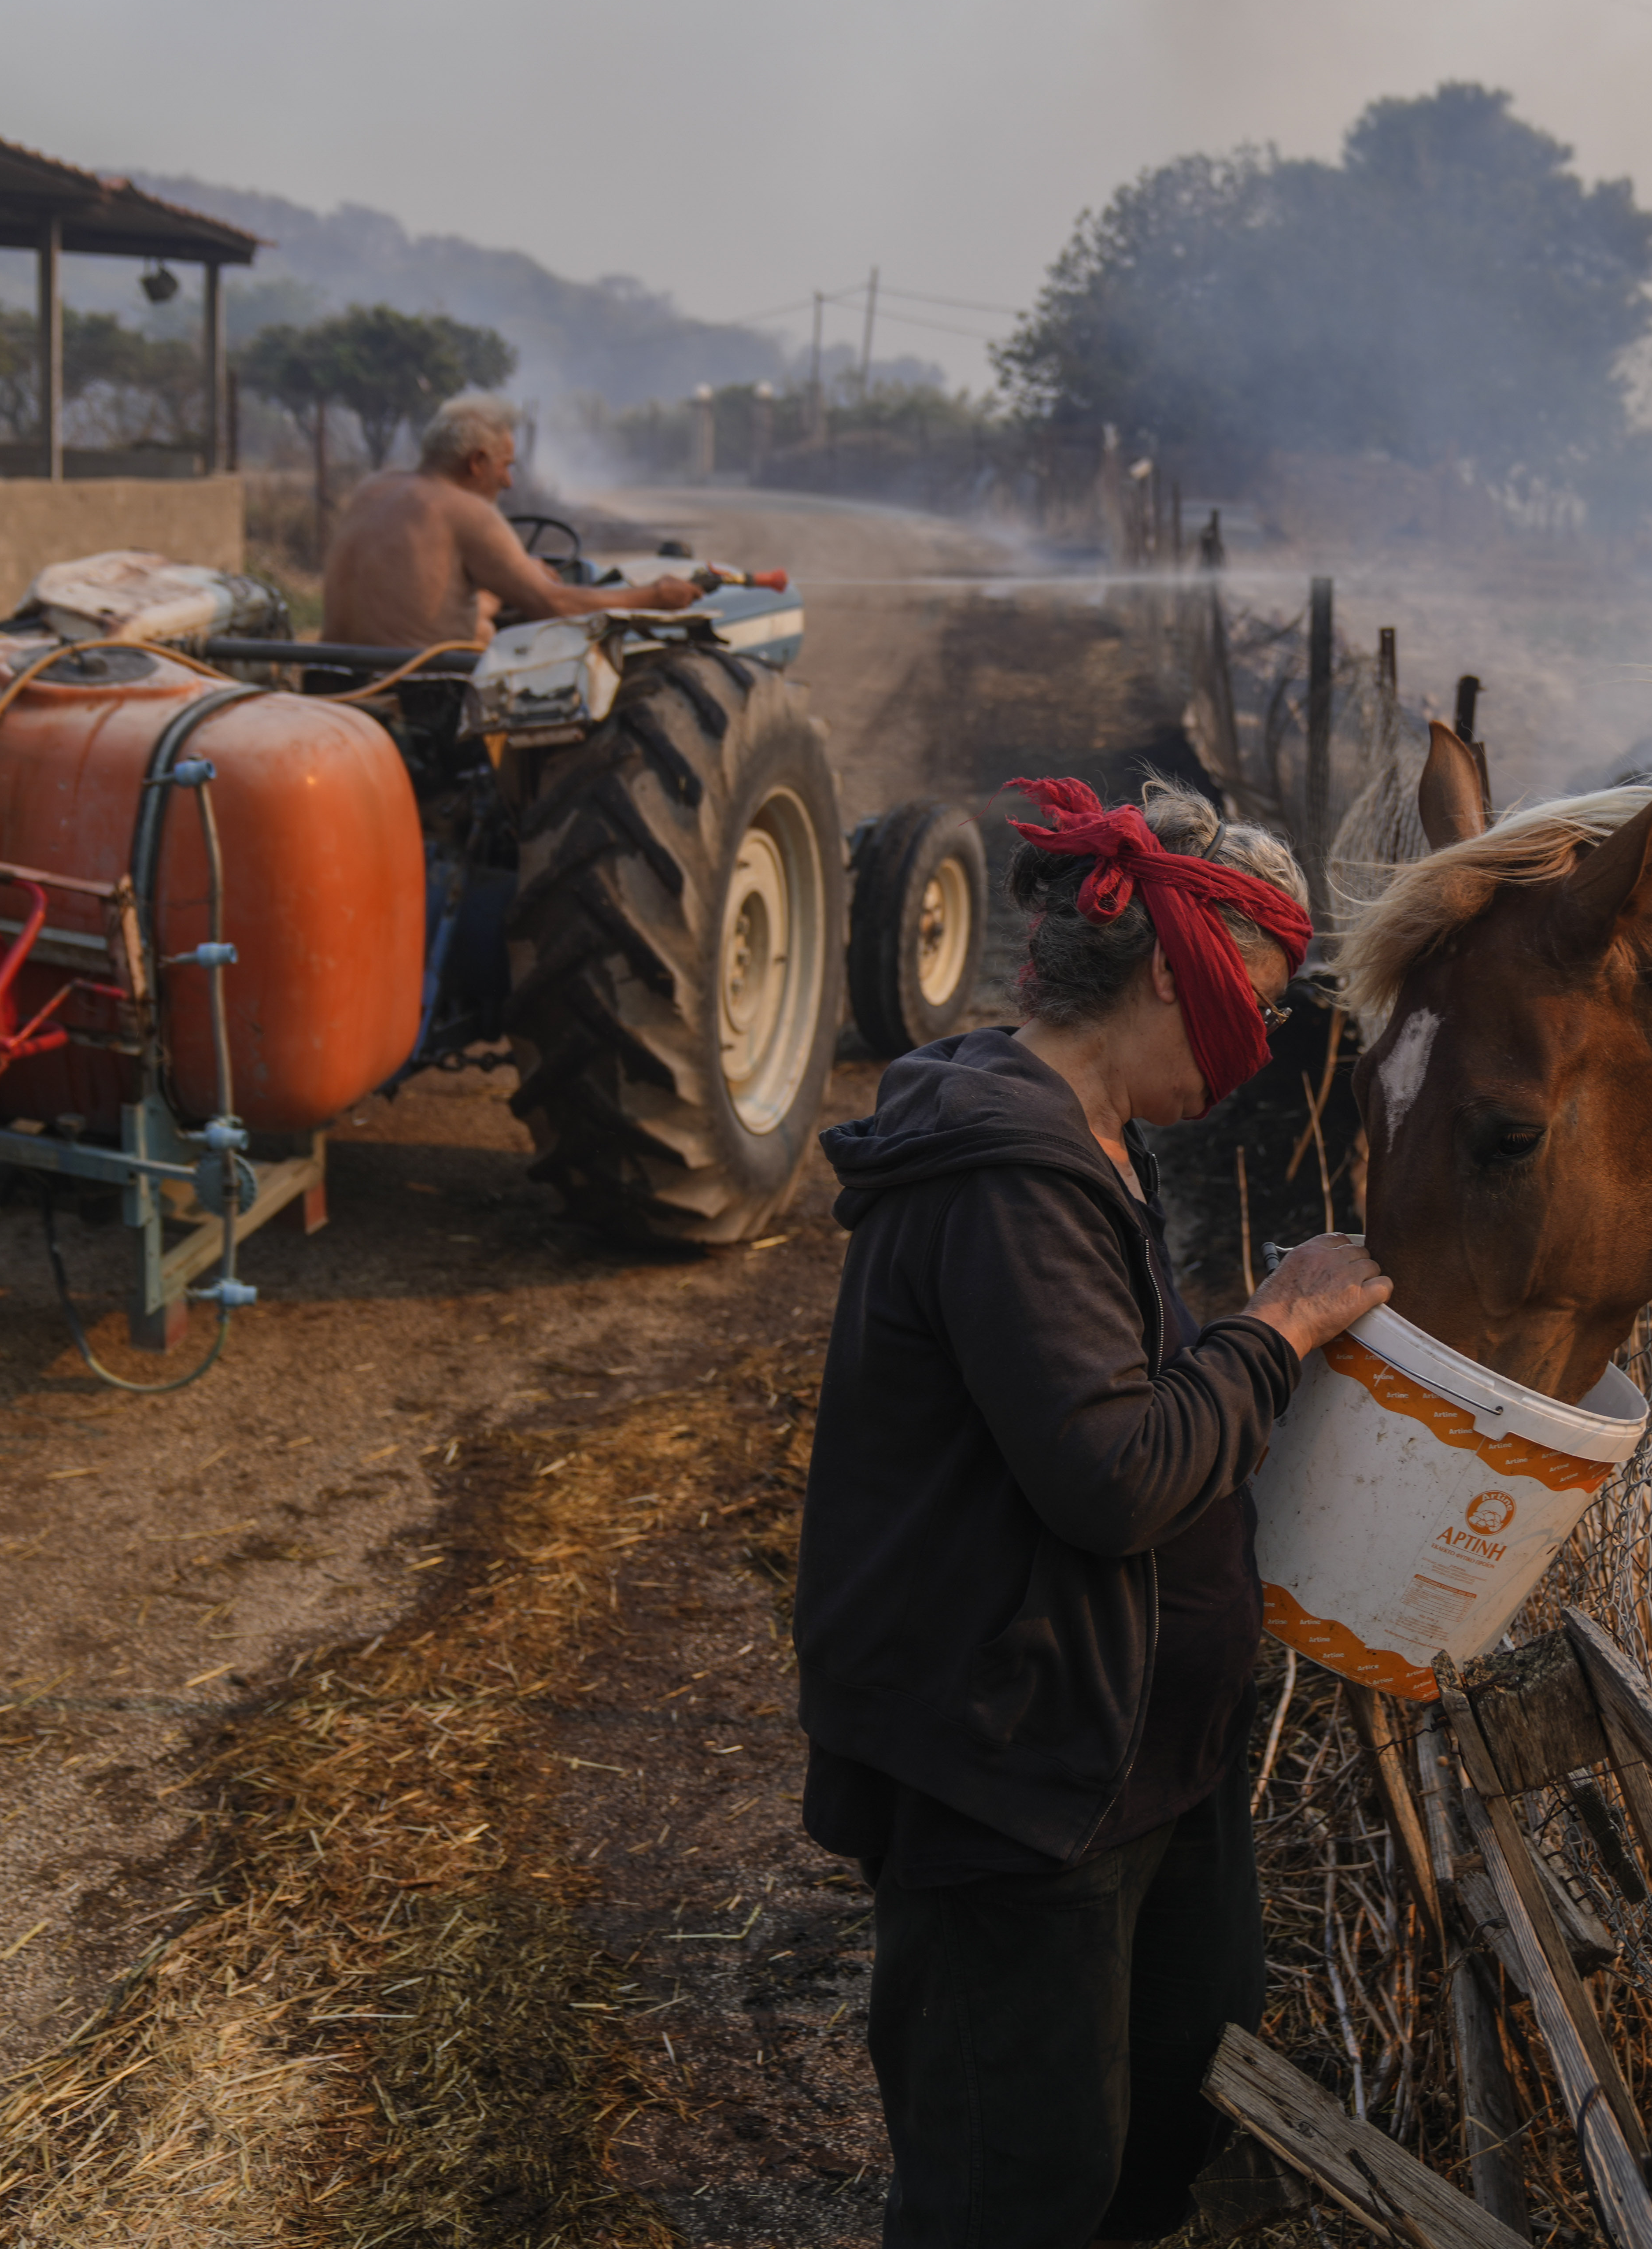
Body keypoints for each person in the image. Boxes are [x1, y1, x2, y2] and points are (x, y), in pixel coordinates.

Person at [794, 776, 1390, 2246]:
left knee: (1162, 2118)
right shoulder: (1013, 1174)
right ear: (1166, 980)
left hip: (1130, 1757)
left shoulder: (1093, 1147)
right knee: (1015, 2189)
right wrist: (1279, 1329)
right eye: (1243, 1010)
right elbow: (1115, 1474)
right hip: (1023, 1778)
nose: (1253, 1057)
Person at [315, 393, 697, 650]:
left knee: (482, 625)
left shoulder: (373, 488)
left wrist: (502, 586)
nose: (508, 482)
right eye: (505, 466)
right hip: (421, 696)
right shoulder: (469, 511)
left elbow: (417, 596)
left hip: (336, 678)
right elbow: (555, 605)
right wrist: (656, 597)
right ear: (477, 462)